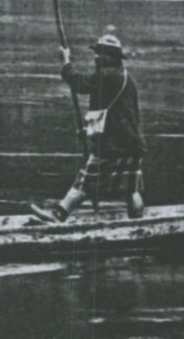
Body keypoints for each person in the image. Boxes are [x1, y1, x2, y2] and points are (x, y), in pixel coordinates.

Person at [31, 30, 145, 222]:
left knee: (86, 180)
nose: (96, 57)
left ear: (112, 57)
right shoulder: (125, 77)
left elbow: (79, 83)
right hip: (131, 143)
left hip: (114, 145)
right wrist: (90, 132)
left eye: (101, 53)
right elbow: (117, 114)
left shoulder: (108, 76)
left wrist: (66, 62)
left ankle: (59, 214)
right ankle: (139, 222)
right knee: (130, 187)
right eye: (96, 52)